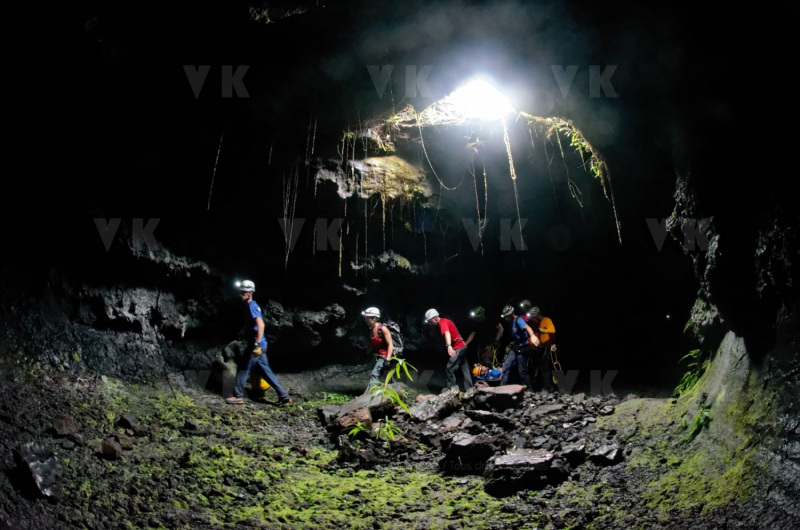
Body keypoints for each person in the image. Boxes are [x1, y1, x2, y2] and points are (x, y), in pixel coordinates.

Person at [226, 280, 292, 405]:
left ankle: (238, 396)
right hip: (261, 344)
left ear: (250, 292)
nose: (241, 294)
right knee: (266, 372)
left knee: (243, 369)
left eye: (244, 292)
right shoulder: (249, 306)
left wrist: (256, 344)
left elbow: (261, 325)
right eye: (240, 291)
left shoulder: (252, 306)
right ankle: (284, 396)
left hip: (257, 345)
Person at [425, 308, 473, 392]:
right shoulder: (444, 321)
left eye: (430, 321)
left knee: (449, 368)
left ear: (436, 317)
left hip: (458, 347)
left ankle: (451, 389)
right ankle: (470, 389)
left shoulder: (442, 322)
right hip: (462, 346)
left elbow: (447, 333)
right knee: (464, 367)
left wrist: (449, 346)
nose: (430, 323)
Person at [499, 305, 540, 389]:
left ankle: (529, 390)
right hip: (515, 347)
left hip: (523, 348)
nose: (506, 317)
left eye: (506, 316)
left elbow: (527, 327)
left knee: (522, 371)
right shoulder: (511, 322)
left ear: (510, 314)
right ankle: (501, 388)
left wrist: (532, 336)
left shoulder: (519, 320)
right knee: (506, 366)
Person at [362, 307, 395, 392]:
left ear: (374, 318)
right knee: (389, 376)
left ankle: (368, 395)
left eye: (367, 318)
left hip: (386, 356)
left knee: (375, 374)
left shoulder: (383, 329)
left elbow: (390, 344)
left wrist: (388, 360)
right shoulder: (370, 330)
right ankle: (397, 392)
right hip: (379, 355)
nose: (365, 319)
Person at [528, 306, 557, 392]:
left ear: (536, 316)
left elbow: (553, 330)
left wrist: (542, 330)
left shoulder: (546, 320)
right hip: (543, 347)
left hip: (549, 346)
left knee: (546, 367)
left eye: (533, 318)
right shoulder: (538, 323)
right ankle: (550, 387)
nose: (533, 320)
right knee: (544, 367)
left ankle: (547, 387)